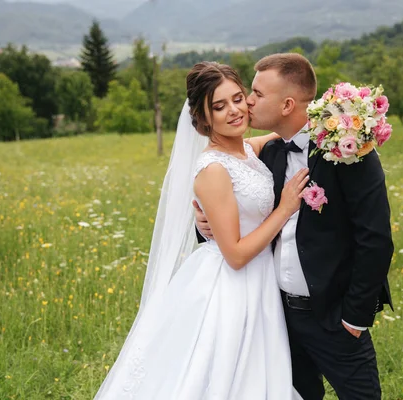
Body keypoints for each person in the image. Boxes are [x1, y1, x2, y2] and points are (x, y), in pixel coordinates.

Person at [93, 61, 309, 399]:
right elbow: (235, 255)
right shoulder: (212, 169)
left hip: (261, 281)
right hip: (231, 286)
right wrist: (283, 209)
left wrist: (328, 119)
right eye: (219, 107)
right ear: (203, 118)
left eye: (238, 98)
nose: (234, 110)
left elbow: (288, 131)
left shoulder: (246, 151)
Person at [196, 53, 394, 400]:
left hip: (333, 316)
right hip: (274, 314)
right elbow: (238, 200)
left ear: (287, 104)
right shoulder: (268, 153)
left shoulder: (348, 150)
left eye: (254, 94)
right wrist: (203, 222)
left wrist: (354, 318)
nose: (247, 103)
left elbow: (375, 240)